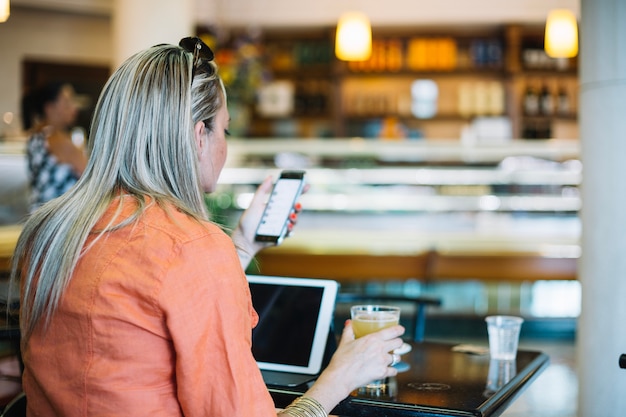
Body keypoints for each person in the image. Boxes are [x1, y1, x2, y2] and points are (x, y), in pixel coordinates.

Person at [10, 37, 404, 417]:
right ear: (200, 136)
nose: (224, 145)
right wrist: (342, 375)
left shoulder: (49, 232)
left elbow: (148, 301)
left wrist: (243, 245)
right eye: (225, 129)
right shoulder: (193, 247)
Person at [21, 81, 88, 211]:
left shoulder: (35, 137)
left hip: (38, 216)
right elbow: (92, 177)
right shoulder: (59, 141)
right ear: (49, 108)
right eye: (67, 102)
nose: (74, 107)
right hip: (60, 220)